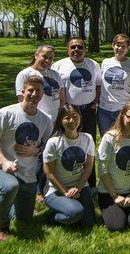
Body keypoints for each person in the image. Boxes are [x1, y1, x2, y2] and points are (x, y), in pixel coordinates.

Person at [0, 75, 53, 241]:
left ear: (42, 94)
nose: (34, 94)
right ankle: (2, 227)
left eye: (38, 91)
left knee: (24, 218)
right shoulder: (6, 113)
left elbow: (45, 146)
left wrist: (37, 149)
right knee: (11, 187)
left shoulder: (45, 120)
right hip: (4, 168)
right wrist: (3, 161)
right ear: (23, 91)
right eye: (30, 90)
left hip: (28, 173)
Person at [15, 44, 65, 202]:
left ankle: (47, 185)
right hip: (37, 122)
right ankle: (36, 190)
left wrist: (60, 118)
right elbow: (22, 101)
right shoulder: (25, 74)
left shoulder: (55, 74)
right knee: (37, 155)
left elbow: (62, 98)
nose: (48, 60)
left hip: (55, 121)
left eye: (51, 58)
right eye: (45, 56)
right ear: (36, 55)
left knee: (51, 154)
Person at [51, 37, 100, 188]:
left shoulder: (93, 64)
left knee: (88, 145)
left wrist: (95, 101)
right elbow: (58, 88)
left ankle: (90, 184)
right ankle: (61, 181)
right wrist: (63, 107)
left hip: (88, 111)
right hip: (68, 111)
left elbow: (98, 85)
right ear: (68, 50)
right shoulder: (58, 66)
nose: (76, 50)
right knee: (65, 145)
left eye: (80, 47)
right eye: (73, 47)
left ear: (85, 49)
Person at [97, 100, 130, 232]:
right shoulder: (109, 138)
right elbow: (103, 170)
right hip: (109, 192)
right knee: (117, 226)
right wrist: (115, 196)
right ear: (122, 116)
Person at [43, 104, 95, 227]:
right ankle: (53, 218)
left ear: (80, 118)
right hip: (56, 190)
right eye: (67, 117)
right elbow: (49, 173)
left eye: (75, 116)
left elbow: (88, 166)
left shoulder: (87, 138)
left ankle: (71, 208)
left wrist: (78, 187)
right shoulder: (54, 142)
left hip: (80, 186)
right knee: (75, 212)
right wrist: (65, 192)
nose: (71, 120)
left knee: (89, 223)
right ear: (61, 121)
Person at [99, 34, 130, 135]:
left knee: (121, 137)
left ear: (128, 48)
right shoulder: (105, 62)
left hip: (121, 109)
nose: (120, 48)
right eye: (118, 45)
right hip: (104, 109)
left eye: (124, 46)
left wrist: (129, 108)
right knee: (105, 137)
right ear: (113, 45)